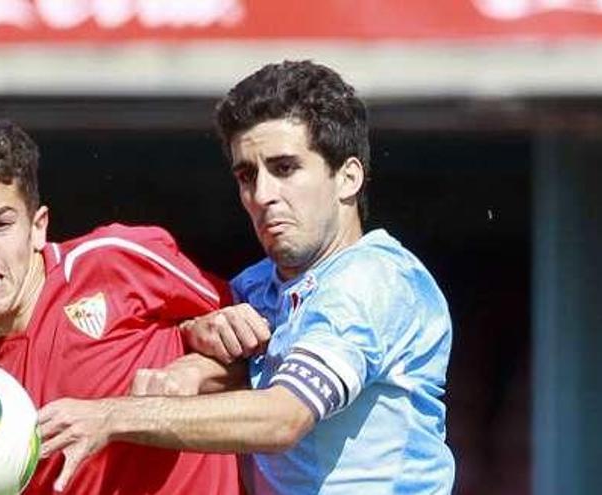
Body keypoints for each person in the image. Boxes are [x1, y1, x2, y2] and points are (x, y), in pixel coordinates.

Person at [39, 60, 456, 495]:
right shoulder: (257, 286)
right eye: (247, 175)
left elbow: (283, 417)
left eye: (285, 168)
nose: (262, 195)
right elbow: (249, 366)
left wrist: (112, 416)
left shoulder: (374, 280)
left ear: (347, 178)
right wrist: (194, 361)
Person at [0, 116, 242, 494]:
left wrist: (193, 370)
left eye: (0, 224)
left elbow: (277, 357)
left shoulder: (115, 262)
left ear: (38, 226)